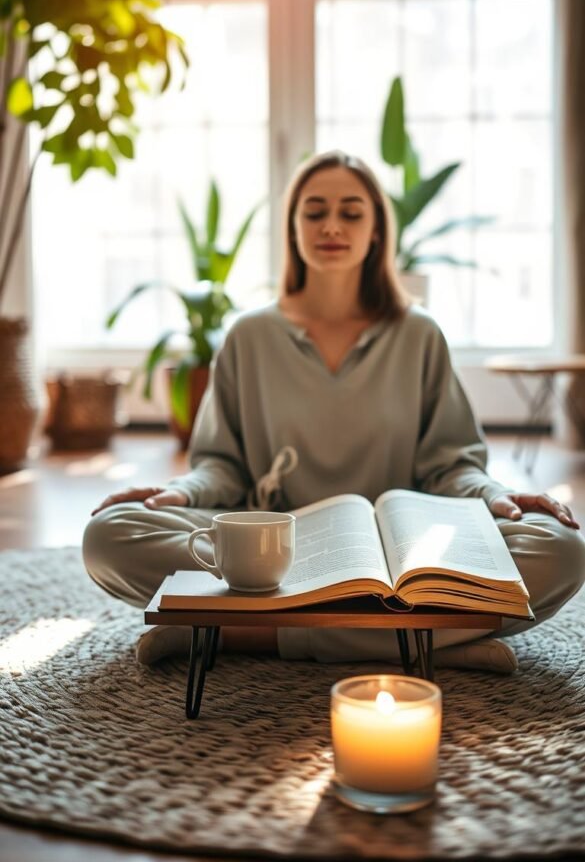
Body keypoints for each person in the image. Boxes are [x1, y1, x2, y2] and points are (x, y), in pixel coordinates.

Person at [83, 150, 585, 673]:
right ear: (293, 227)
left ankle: (237, 635)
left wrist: (495, 494)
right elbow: (222, 465)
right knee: (108, 535)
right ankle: (430, 640)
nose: (331, 226)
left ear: (375, 231)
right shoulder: (248, 336)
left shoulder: (418, 335)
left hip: (397, 562)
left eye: (351, 212)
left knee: (560, 548)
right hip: (275, 556)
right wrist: (181, 493)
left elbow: (451, 465)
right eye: (315, 211)